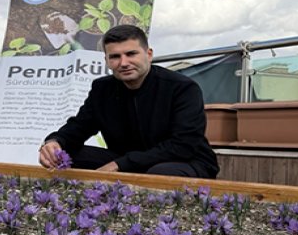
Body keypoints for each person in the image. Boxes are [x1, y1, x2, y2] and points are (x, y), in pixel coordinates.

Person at [37, 25, 219, 179]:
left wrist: (120, 164)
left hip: (185, 163)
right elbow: (79, 127)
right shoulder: (102, 89)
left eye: (131, 54)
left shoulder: (182, 88)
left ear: (148, 54)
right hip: (125, 161)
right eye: (115, 57)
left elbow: (182, 146)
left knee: (159, 172)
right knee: (64, 155)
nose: (123, 63)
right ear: (106, 61)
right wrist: (55, 142)